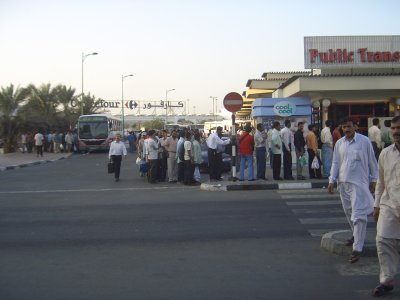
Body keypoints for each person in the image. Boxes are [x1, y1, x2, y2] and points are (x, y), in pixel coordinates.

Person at [328, 117, 378, 264]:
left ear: (355, 127)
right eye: (344, 127)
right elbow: (336, 162)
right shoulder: (339, 143)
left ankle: (357, 249)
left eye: (349, 126)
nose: (347, 129)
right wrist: (332, 180)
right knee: (349, 212)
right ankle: (356, 236)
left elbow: (372, 161)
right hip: (343, 183)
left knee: (358, 216)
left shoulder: (364, 141)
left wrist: (374, 179)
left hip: (359, 184)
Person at [371, 115, 400, 297]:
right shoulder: (386, 153)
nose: (396, 132)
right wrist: (376, 205)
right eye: (394, 128)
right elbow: (381, 182)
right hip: (389, 204)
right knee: (382, 239)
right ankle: (387, 280)